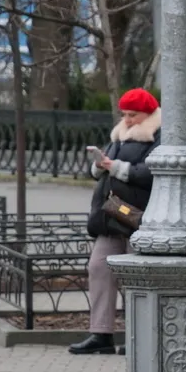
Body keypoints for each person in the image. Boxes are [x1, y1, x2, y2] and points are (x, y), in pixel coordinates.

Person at [69, 88, 161, 355]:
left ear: (148, 113)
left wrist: (118, 168)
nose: (128, 119)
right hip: (110, 217)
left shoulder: (159, 134)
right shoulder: (119, 134)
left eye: (133, 115)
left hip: (137, 217)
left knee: (135, 279)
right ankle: (101, 333)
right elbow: (103, 170)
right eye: (125, 114)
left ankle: (140, 337)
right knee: (99, 268)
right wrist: (99, 166)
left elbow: (154, 171)